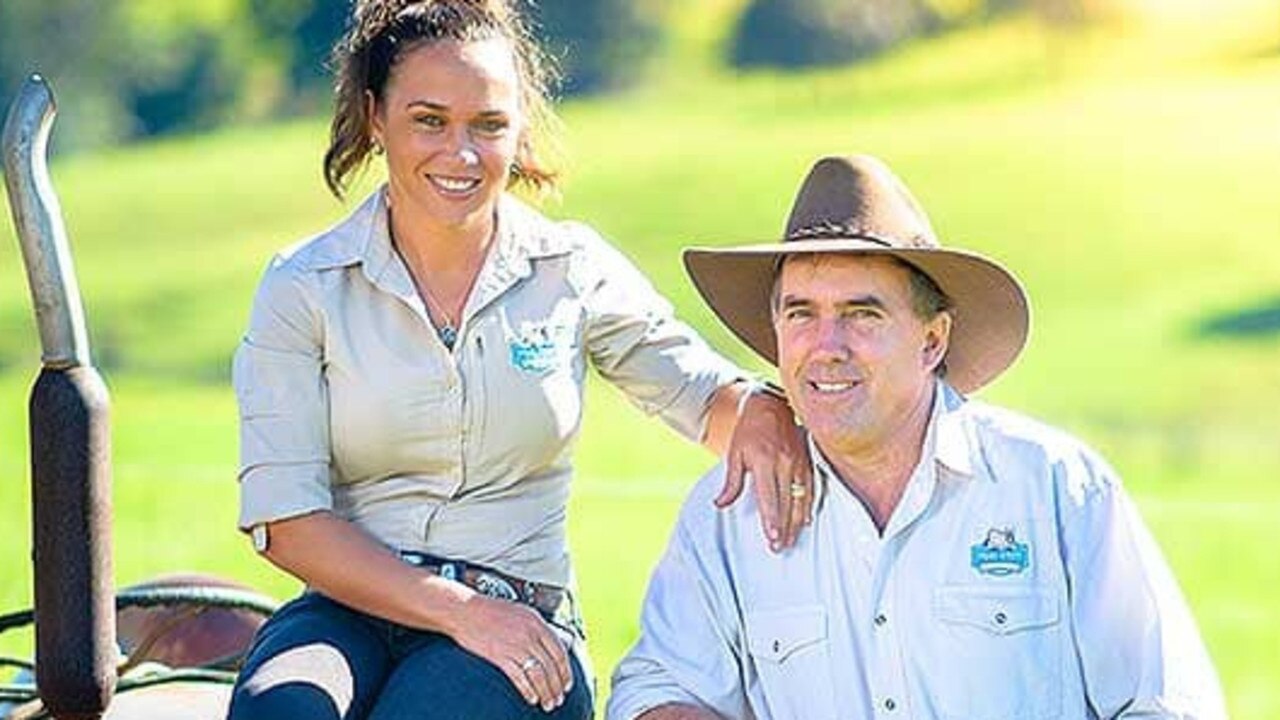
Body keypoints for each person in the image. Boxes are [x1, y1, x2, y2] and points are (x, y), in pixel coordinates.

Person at [225, 1, 813, 718]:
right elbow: (287, 522)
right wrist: (454, 609)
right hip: (346, 611)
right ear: (376, 117)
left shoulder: (572, 268)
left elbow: (705, 395)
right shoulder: (304, 286)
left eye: (489, 124)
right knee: (280, 709)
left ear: (520, 126)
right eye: (429, 120)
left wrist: (767, 412)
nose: (461, 152)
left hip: (520, 620)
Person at [607, 155, 1227, 720]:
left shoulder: (1054, 485)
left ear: (933, 341)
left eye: (861, 314)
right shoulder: (727, 513)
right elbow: (657, 687)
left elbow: (1169, 704)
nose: (826, 347)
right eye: (801, 314)